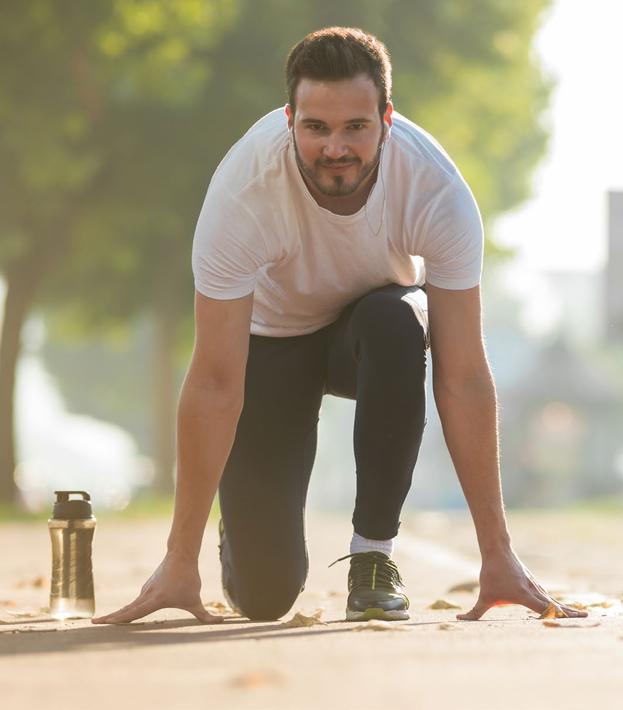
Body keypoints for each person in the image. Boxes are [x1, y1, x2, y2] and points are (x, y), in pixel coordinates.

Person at [92, 26, 585, 625]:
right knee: (264, 598)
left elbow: (463, 377)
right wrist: (179, 557)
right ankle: (243, 525)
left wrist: (496, 552)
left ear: (387, 119)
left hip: (370, 335)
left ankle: (373, 559)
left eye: (356, 126)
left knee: (397, 322)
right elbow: (216, 381)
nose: (335, 148)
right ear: (288, 118)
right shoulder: (242, 195)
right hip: (272, 347)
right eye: (315, 127)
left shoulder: (434, 191)